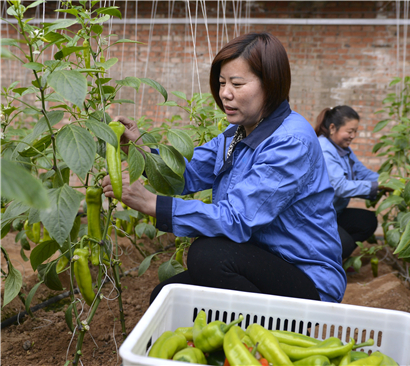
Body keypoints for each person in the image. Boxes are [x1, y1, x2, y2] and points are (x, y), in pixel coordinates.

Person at [102, 33, 347, 304]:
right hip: (258, 264)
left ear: (271, 84)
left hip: (306, 280)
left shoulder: (290, 141)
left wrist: (152, 204)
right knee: (166, 296)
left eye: (237, 84)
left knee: (208, 254)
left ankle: (263, 338)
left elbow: (237, 220)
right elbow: (190, 172)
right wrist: (140, 152)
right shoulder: (238, 133)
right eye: (221, 83)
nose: (224, 93)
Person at [314, 106, 386, 261]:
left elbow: (363, 172)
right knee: (344, 245)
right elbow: (339, 187)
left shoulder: (343, 149)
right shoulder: (325, 150)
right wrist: (377, 186)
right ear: (333, 128)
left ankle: (336, 260)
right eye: (350, 131)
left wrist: (388, 181)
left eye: (355, 131)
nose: (353, 136)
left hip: (334, 213)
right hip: (317, 217)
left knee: (368, 221)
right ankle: (321, 264)